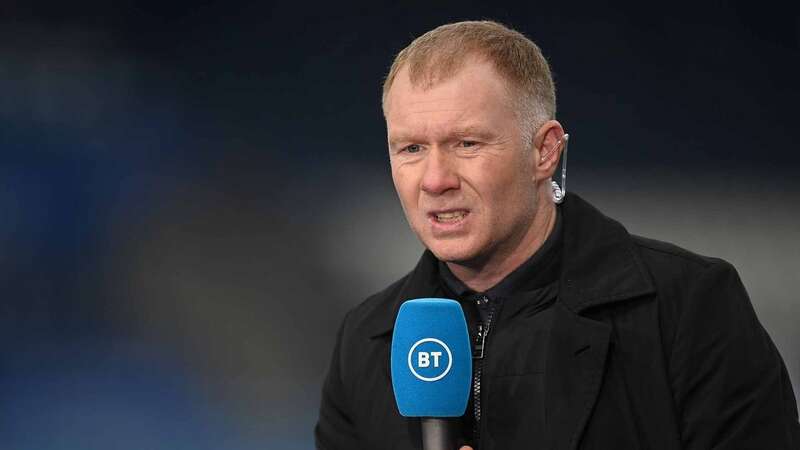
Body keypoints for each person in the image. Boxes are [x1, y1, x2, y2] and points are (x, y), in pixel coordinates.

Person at [315, 20, 799, 450]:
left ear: (545, 152)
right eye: (412, 148)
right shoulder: (367, 340)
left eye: (467, 143)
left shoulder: (688, 307)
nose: (435, 179)